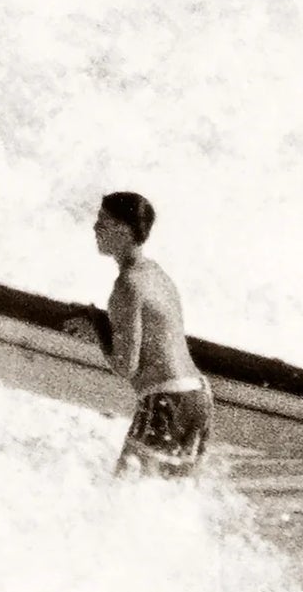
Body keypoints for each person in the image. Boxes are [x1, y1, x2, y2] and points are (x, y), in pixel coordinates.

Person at [62, 191, 212, 477]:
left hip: (166, 399)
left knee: (122, 491)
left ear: (122, 230)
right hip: (198, 396)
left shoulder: (127, 285)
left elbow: (125, 365)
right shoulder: (156, 273)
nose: (95, 227)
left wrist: (97, 327)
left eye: (102, 221)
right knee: (171, 497)